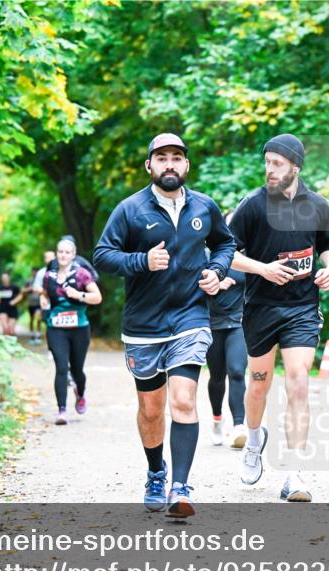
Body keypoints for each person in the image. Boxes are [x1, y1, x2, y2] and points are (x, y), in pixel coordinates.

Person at [93, 133, 235, 519]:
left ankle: (180, 487)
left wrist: (216, 271)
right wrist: (141, 262)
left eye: (176, 158)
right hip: (143, 324)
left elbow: (225, 243)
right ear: (149, 165)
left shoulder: (204, 206)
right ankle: (157, 471)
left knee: (184, 400)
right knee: (152, 410)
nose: (169, 164)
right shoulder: (130, 210)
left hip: (191, 316)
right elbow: (103, 255)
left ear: (186, 165)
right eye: (161, 158)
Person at [228, 133, 329, 502]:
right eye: (267, 162)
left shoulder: (318, 205)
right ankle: (254, 438)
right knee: (258, 383)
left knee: (298, 380)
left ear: (295, 166)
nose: (269, 169)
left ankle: (295, 472)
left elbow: (328, 246)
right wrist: (262, 269)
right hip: (261, 308)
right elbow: (224, 252)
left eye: (277, 163)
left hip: (302, 308)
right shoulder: (253, 205)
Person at [40, 238, 102, 425]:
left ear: (73, 255)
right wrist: (44, 301)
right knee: (61, 368)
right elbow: (44, 293)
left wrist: (79, 295)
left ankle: (80, 393)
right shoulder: (48, 276)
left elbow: (97, 297)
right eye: (60, 252)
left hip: (79, 328)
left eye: (67, 252)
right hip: (56, 328)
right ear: (56, 254)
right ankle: (62, 410)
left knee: (77, 370)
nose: (63, 255)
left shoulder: (82, 274)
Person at [205, 233, 248, 449]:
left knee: (237, 371)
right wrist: (215, 284)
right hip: (212, 324)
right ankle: (216, 419)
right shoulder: (207, 255)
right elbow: (189, 284)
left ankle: (239, 426)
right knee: (217, 377)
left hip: (238, 322)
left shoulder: (248, 259)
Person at [32, 251, 56, 336]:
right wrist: (44, 292)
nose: (49, 259)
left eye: (51, 257)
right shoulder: (41, 273)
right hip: (45, 303)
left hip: (60, 304)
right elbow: (35, 287)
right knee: (47, 323)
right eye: (47, 257)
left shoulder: (63, 270)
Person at [0, 272, 22, 336]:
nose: (4, 279)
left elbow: (21, 295)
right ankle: (6, 344)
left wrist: (15, 301)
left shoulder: (14, 287)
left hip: (12, 309)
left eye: (6, 278)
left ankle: (12, 343)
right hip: (2, 309)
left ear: (9, 278)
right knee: (5, 328)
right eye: (3, 278)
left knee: (11, 330)